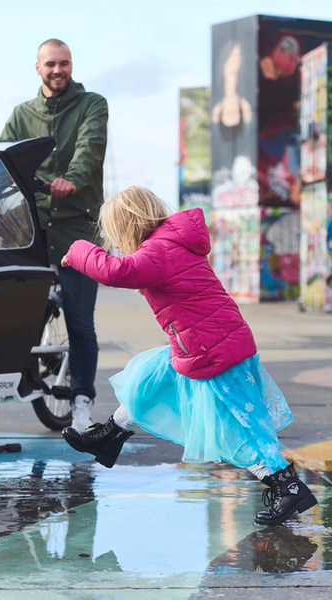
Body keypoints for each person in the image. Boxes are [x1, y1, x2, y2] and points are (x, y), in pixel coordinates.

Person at [60, 185, 318, 526]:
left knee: (240, 425)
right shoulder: (170, 243)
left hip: (215, 350)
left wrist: (77, 250)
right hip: (201, 344)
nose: (117, 242)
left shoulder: (158, 252)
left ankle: (287, 486)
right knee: (149, 377)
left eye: (116, 233)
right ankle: (110, 436)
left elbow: (115, 272)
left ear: (128, 225)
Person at [0, 38, 108, 429]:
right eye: (50, 64)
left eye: (64, 63)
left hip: (77, 224)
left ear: (71, 65)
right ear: (37, 67)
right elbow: (4, 158)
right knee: (7, 304)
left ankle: (81, 400)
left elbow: (90, 148)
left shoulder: (91, 104)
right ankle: (27, 372)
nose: (57, 70)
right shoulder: (21, 114)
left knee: (80, 321)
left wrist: (72, 180)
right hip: (32, 226)